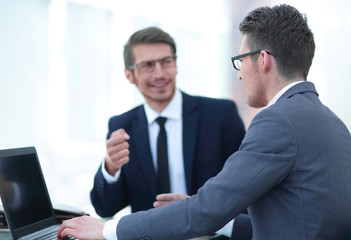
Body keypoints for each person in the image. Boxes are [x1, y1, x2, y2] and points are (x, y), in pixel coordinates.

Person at [58, 4, 351, 240]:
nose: (239, 74)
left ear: (262, 60)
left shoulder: (276, 121)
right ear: (130, 74)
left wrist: (108, 230)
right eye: (147, 65)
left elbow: (208, 209)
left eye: (240, 60)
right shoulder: (334, 123)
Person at [89, 26, 249, 239]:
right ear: (129, 74)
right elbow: (104, 209)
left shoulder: (220, 115)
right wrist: (110, 167)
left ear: (176, 65)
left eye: (166, 62)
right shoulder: (121, 125)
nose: (160, 73)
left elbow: (247, 188)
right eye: (147, 65)